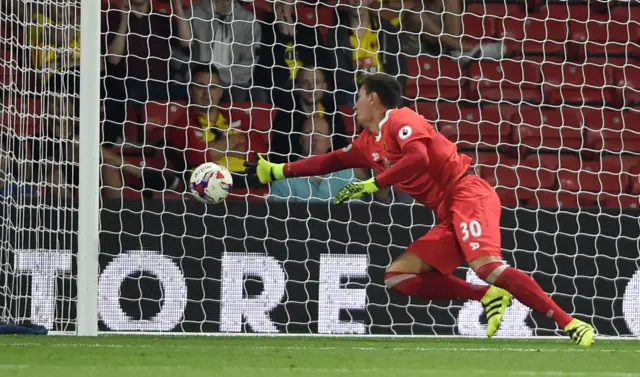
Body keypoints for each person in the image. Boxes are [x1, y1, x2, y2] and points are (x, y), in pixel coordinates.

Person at [245, 73, 596, 346]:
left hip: (466, 192)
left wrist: (373, 184)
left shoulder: (401, 118)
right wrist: (278, 170)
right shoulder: (368, 142)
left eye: (358, 96)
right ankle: (485, 295)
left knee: (487, 266)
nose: (354, 104)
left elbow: (419, 157)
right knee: (398, 276)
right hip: (446, 211)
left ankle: (570, 323)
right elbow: (333, 159)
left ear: (374, 98)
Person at [102, 0, 192, 143]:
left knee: (191, 92)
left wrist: (177, 5)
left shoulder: (161, 19)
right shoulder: (112, 17)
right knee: (132, 91)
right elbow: (114, 59)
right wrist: (124, 20)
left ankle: (182, 140)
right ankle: (131, 141)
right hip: (129, 84)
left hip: (162, 84)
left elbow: (187, 42)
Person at [174, 0, 262, 103]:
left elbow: (249, 63)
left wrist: (216, 76)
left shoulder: (249, 21)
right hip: (197, 80)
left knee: (240, 94)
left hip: (233, 82)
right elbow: (175, 52)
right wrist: (190, 71)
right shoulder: (193, 13)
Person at [326, 0, 407, 107]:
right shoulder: (336, 35)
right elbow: (341, 78)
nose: (356, 2)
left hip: (384, 90)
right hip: (354, 93)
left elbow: (399, 70)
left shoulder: (386, 29)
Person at [254, 0, 332, 103]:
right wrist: (283, 37)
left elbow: (323, 66)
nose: (282, 4)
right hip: (279, 88)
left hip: (308, 85)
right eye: (279, 2)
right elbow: (268, 74)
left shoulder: (309, 32)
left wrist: (295, 35)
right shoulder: (263, 32)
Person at [270, 65, 349, 164]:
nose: (311, 88)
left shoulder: (332, 110)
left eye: (316, 82)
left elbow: (341, 146)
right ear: (297, 87)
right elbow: (279, 154)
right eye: (305, 83)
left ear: (324, 86)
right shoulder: (285, 114)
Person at [270, 115, 356, 202]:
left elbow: (356, 211)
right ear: (300, 140)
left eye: (319, 134)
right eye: (308, 133)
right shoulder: (284, 178)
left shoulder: (346, 175)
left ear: (329, 142)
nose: (313, 138)